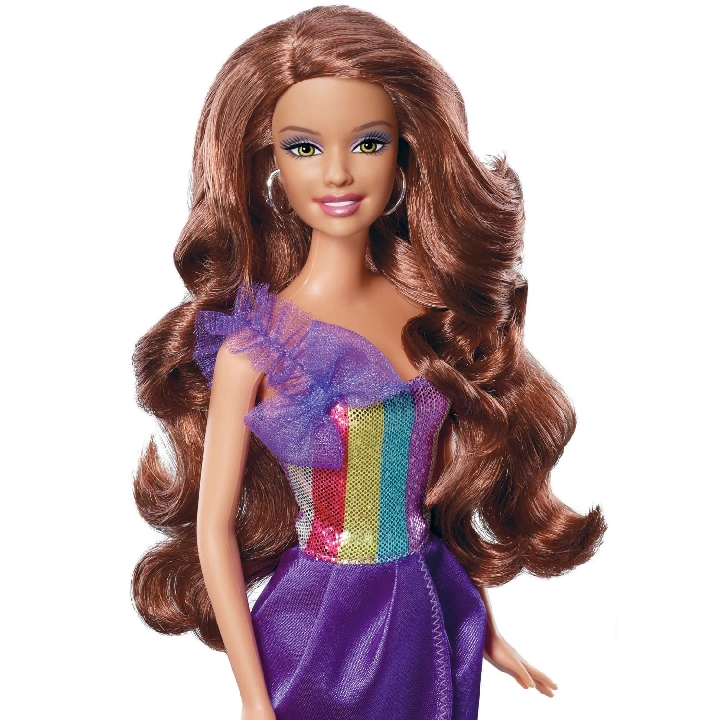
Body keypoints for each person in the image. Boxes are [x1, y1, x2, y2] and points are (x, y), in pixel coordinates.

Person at [132, 7, 606, 719]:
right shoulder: (254, 348)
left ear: (406, 154)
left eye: (369, 142)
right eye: (303, 147)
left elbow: (435, 504)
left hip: (425, 609)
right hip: (319, 622)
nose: (337, 172)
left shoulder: (434, 319)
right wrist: (254, 698)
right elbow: (213, 531)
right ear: (268, 164)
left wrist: (487, 631)